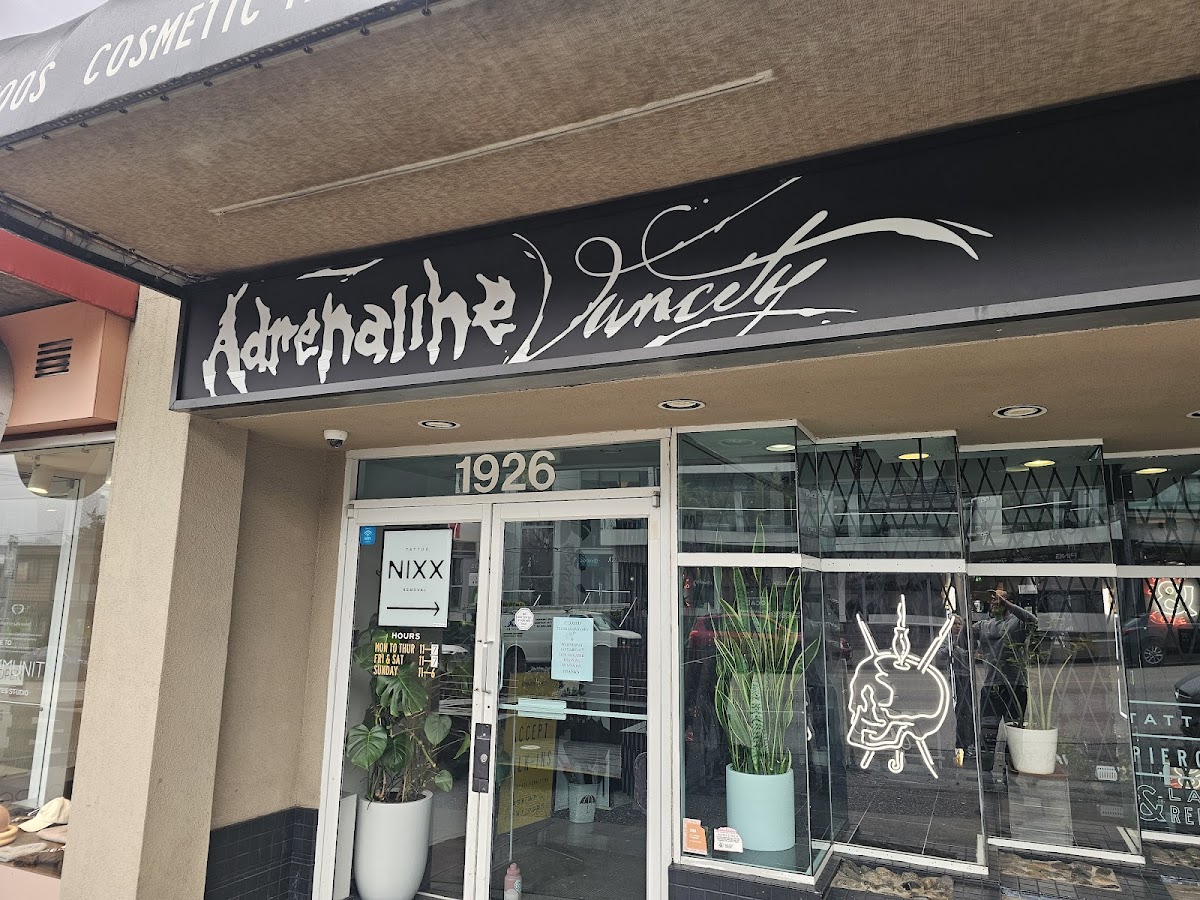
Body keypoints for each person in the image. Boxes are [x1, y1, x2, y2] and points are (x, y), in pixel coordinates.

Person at [973, 588, 1037, 783]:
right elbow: (962, 640)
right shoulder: (983, 625)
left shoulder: (1016, 623)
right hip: (991, 686)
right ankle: (986, 775)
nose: (995, 602)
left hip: (1015, 687)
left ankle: (1010, 775)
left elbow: (1032, 620)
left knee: (1014, 734)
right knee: (988, 734)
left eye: (1000, 599)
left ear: (1009, 602)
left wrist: (1007, 603)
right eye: (993, 600)